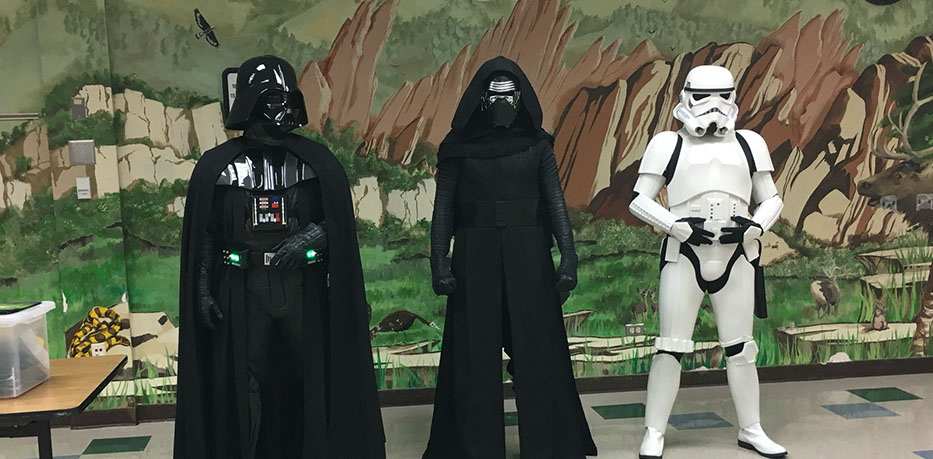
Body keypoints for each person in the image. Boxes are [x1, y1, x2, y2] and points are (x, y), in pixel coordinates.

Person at [174, 55, 385, 459]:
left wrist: (314, 235)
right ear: (251, 102)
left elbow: (338, 225)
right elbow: (207, 233)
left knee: (306, 377)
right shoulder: (217, 167)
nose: (285, 108)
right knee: (247, 381)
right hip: (243, 289)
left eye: (289, 98)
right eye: (274, 99)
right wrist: (201, 289)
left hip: (301, 287)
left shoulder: (318, 163)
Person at [424, 56, 597, 459]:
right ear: (481, 99)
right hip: (474, 257)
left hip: (529, 255)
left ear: (520, 98)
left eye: (509, 95)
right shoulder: (458, 148)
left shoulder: (537, 144)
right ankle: (475, 447)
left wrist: (568, 258)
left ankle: (547, 444)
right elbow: (443, 207)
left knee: (537, 352)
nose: (502, 103)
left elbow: (554, 203)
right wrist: (439, 263)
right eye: (495, 95)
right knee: (474, 355)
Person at [628, 65, 787, 459]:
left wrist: (754, 228)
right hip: (684, 254)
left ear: (733, 96)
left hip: (737, 256)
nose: (713, 105)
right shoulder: (668, 144)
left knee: (741, 348)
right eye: (702, 96)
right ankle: (654, 430)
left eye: (722, 95)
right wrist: (676, 227)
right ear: (686, 96)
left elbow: (771, 198)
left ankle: (751, 428)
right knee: (670, 347)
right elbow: (639, 199)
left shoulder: (749, 143)